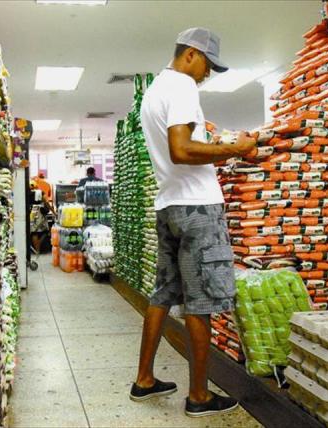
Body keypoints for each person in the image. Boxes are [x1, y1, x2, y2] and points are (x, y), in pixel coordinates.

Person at [130, 27, 257, 418]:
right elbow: (181, 149)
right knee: (200, 304)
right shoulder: (183, 86)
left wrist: (217, 142)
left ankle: (145, 379)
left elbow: (176, 147)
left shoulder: (154, 91)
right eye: (207, 65)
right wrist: (233, 148)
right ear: (190, 55)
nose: (208, 74)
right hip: (198, 209)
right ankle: (199, 396)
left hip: (168, 206)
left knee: (163, 294)